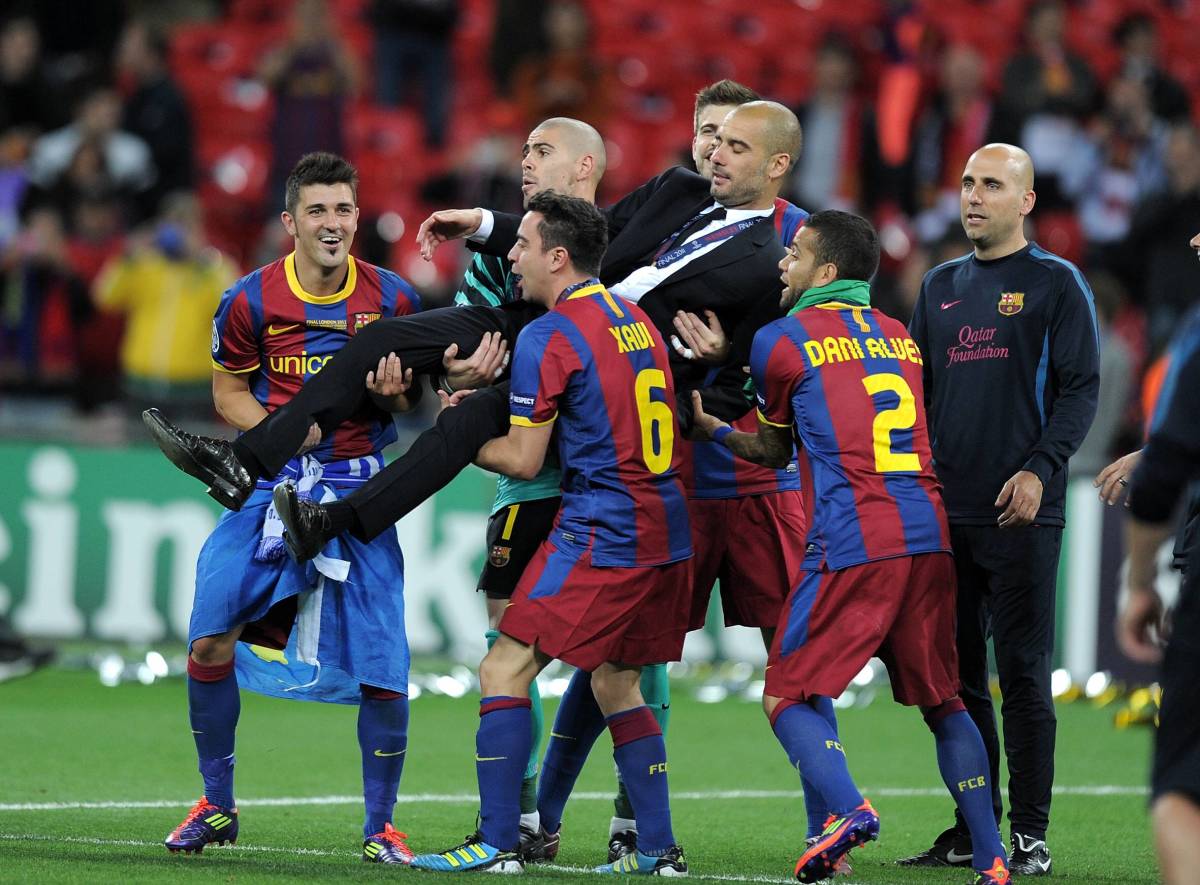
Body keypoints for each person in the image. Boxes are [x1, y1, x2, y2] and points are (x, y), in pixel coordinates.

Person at [691, 209, 1010, 885]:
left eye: (796, 253)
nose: (784, 262)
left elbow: (775, 449)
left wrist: (712, 431)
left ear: (826, 272)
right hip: (928, 536)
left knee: (784, 694)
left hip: (852, 540)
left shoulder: (780, 339)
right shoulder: (900, 338)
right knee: (945, 701)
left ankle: (848, 809)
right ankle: (993, 859)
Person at [406, 191, 692, 875]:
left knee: (503, 666)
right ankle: (656, 847)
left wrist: (458, 432)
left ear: (557, 257)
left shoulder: (548, 334)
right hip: (670, 528)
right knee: (618, 683)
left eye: (523, 245)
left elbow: (525, 460)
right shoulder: (635, 318)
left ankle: (499, 842)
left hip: (606, 524)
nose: (510, 255)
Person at [158, 153, 423, 866]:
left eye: (342, 210)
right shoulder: (248, 299)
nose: (331, 224)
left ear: (357, 217)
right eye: (317, 210)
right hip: (271, 487)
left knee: (383, 668)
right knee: (210, 638)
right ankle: (216, 804)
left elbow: (412, 399)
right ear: (290, 221)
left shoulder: (396, 299)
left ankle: (381, 825)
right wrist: (280, 431)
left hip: (358, 490)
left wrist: (397, 393)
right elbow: (228, 393)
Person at [901, 143, 1099, 875]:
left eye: (991, 184)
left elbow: (1080, 389)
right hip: (945, 510)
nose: (973, 196)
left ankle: (1032, 831)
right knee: (952, 680)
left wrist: (1041, 470)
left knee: (1021, 671)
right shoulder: (939, 285)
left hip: (1021, 511)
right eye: (966, 182)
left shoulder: (1056, 284)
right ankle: (974, 825)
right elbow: (917, 399)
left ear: (1027, 200)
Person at [451, 115, 607, 860]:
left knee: (616, 661)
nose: (524, 163)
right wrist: (460, 371)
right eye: (520, 152)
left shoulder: (622, 255)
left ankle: (622, 825)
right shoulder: (496, 258)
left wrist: (464, 433)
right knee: (512, 642)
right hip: (535, 489)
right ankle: (520, 816)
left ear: (584, 169)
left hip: (578, 480)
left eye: (541, 152)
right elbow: (462, 347)